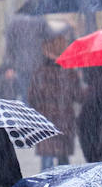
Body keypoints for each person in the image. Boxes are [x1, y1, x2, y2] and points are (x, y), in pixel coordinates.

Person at [26, 21, 81, 170]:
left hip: (46, 125)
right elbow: (78, 96)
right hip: (65, 125)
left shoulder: (39, 73)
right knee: (64, 167)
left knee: (46, 167)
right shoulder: (70, 73)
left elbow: (32, 99)